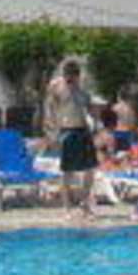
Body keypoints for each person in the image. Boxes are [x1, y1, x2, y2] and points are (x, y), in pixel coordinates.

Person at [43, 58, 98, 221]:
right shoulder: (57, 88)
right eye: (68, 75)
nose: (70, 79)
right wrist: (52, 133)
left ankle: (85, 205)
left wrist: (95, 126)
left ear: (77, 76)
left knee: (90, 170)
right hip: (67, 132)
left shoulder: (83, 91)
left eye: (73, 75)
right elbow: (49, 111)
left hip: (83, 131)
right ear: (64, 74)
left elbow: (89, 111)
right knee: (67, 172)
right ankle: (66, 208)